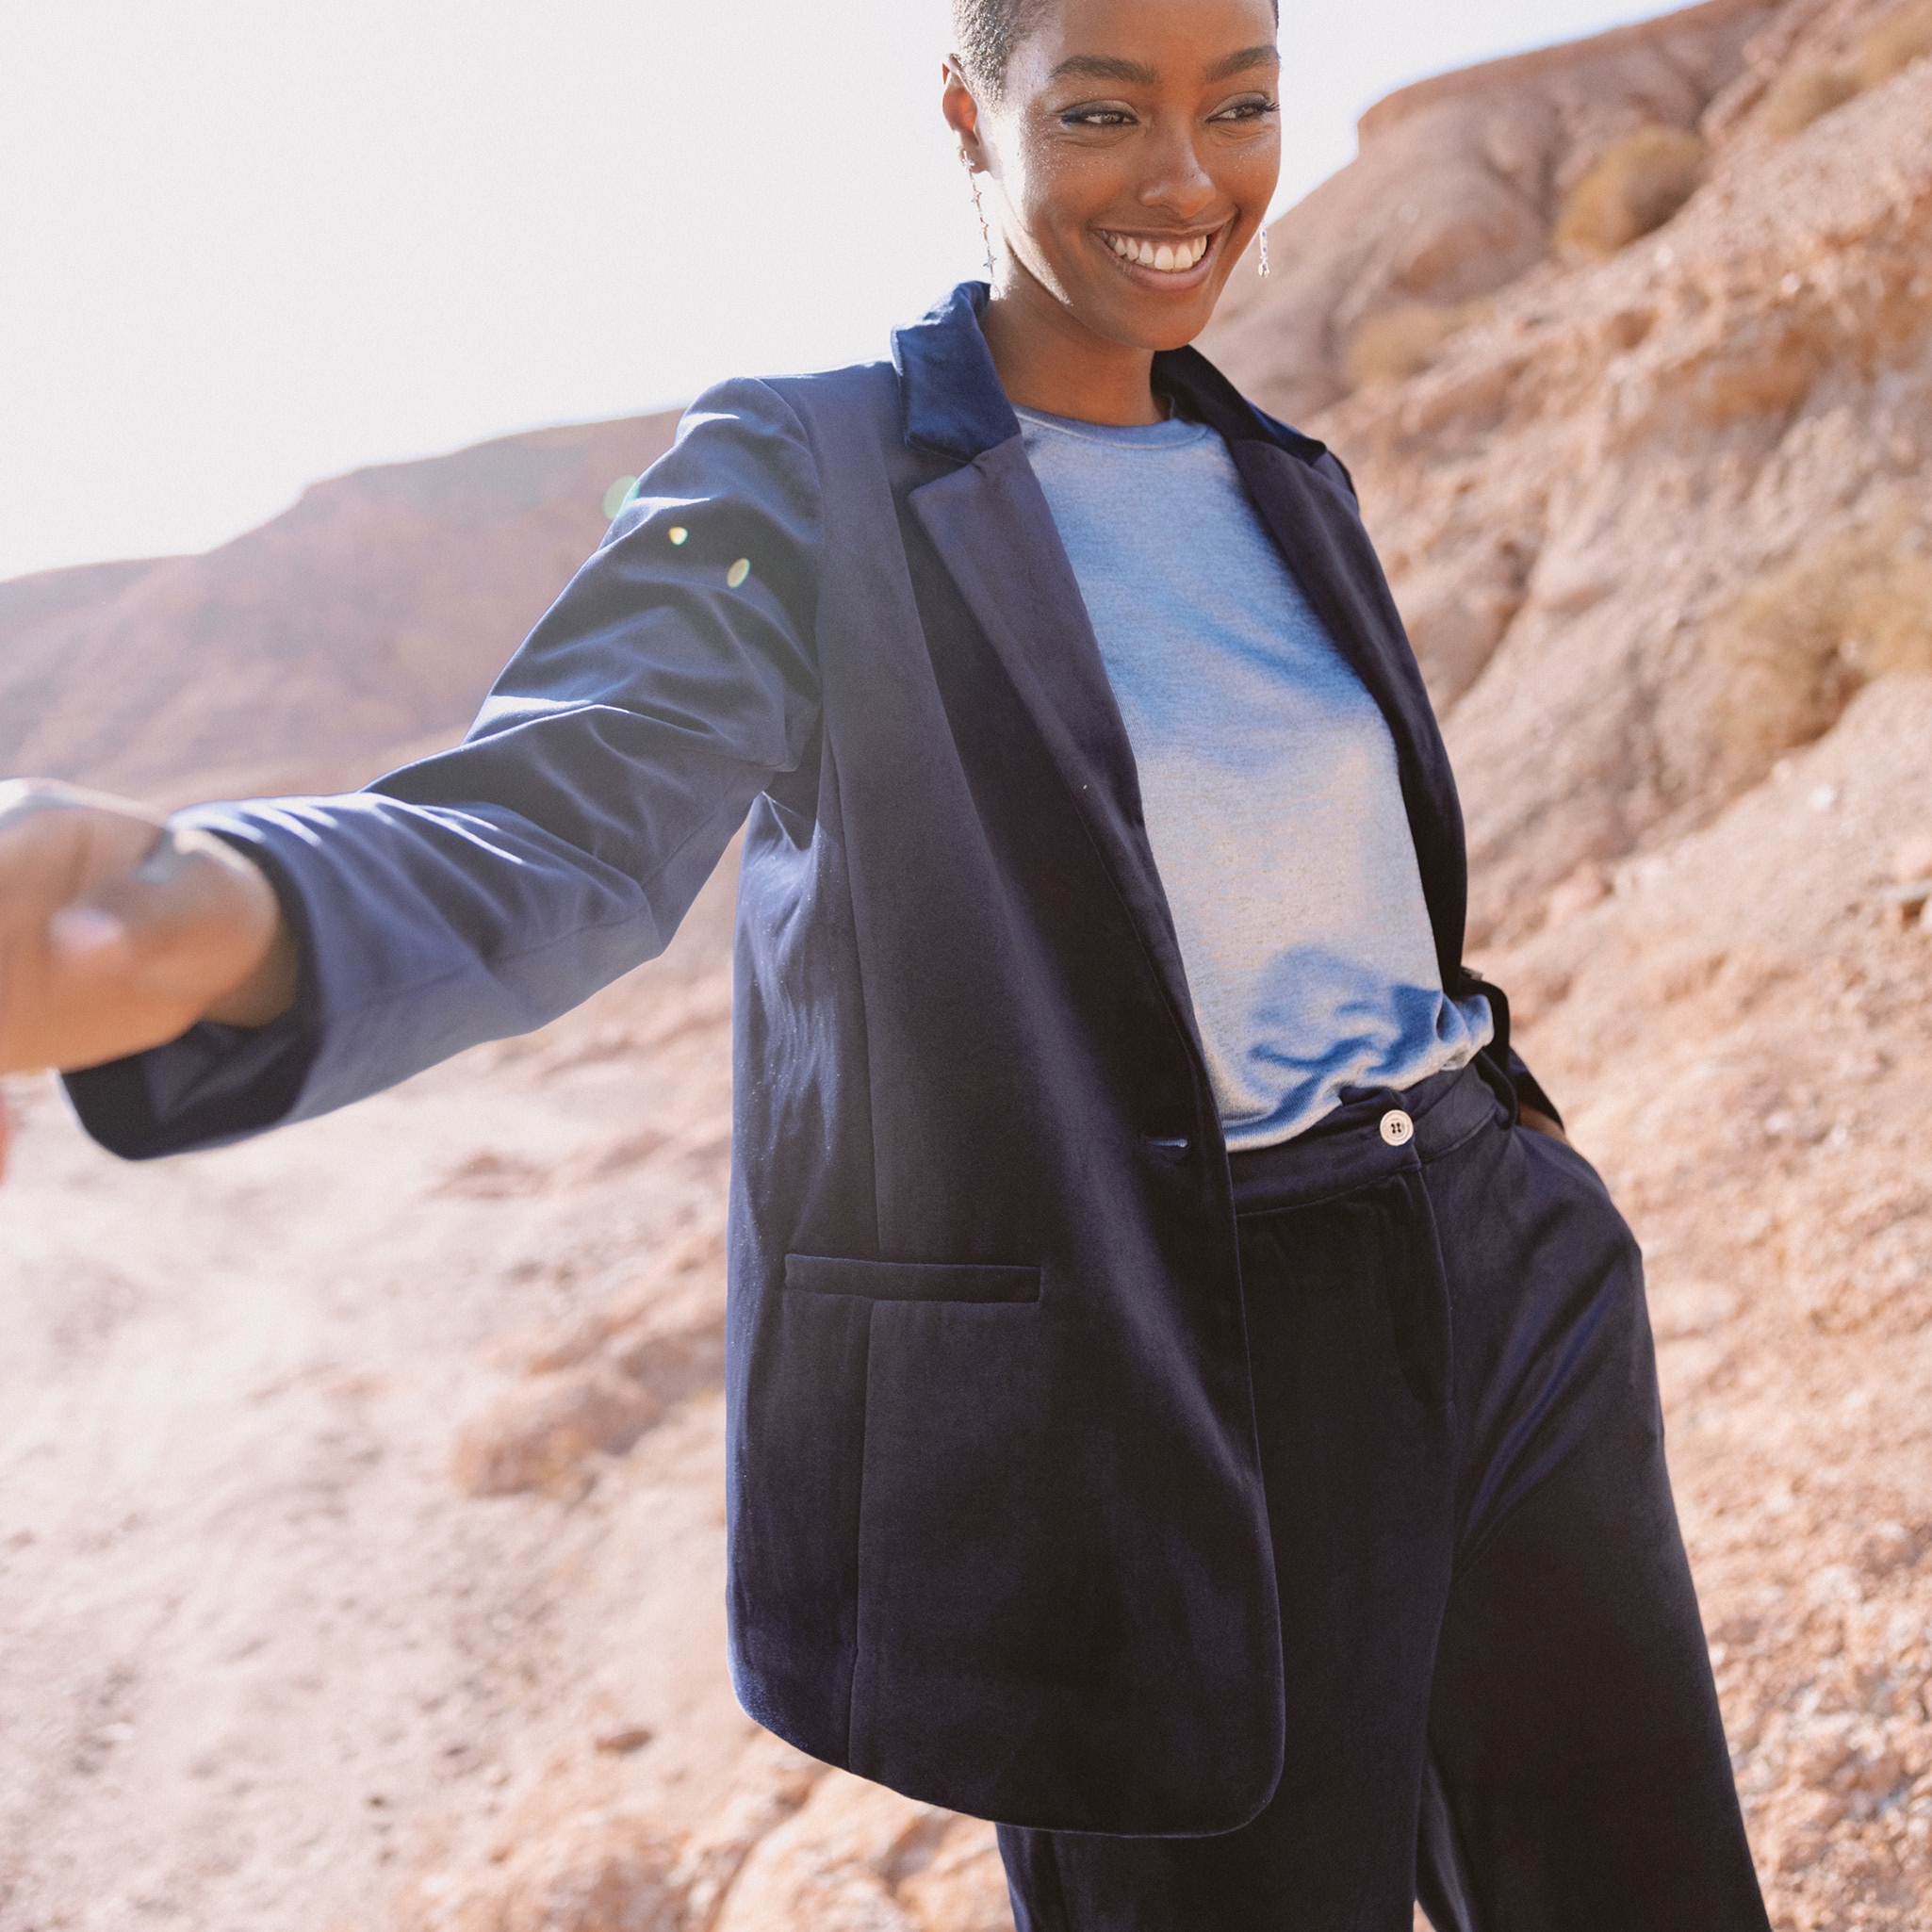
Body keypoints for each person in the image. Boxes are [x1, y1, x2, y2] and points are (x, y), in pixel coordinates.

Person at [0, 0, 1774, 1924]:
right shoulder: (810, 470)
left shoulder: (1288, 479)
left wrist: (1523, 1184)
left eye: (1237, 104)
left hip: (1502, 1265)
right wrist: (209, 911)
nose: (1184, 177)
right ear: (967, 113)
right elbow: (560, 821)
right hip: (1175, 1354)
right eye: (1100, 109)